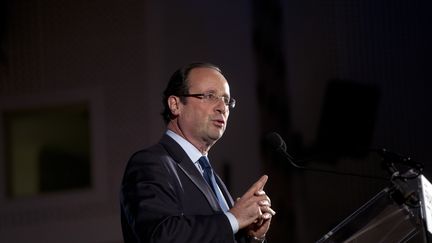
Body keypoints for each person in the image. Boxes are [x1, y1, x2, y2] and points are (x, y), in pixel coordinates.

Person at [120, 62, 275, 242]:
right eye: (209, 96)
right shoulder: (150, 163)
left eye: (226, 100)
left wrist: (253, 236)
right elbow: (161, 236)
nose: (222, 107)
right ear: (175, 104)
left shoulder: (211, 178)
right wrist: (234, 218)